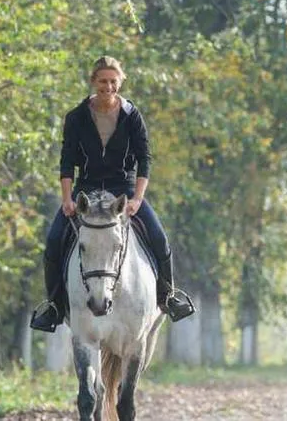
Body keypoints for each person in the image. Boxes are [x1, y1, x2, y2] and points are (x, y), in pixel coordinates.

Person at [30, 56, 194, 332]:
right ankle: (54, 306)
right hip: (86, 190)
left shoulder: (132, 116)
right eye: (103, 81)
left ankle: (168, 296)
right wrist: (67, 199)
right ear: (94, 82)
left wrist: (137, 199)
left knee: (159, 239)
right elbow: (67, 160)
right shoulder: (76, 117)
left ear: (120, 82)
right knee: (54, 240)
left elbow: (144, 158)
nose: (108, 86)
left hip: (124, 191)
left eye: (113, 81)